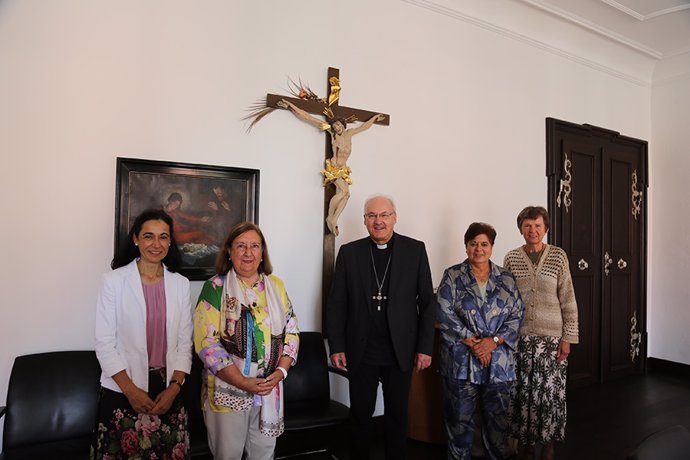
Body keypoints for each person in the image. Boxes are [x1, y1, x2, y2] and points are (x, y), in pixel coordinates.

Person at [326, 195, 436, 459]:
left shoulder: (415, 250)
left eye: (384, 215)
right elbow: (337, 303)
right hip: (361, 349)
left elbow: (428, 304)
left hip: (401, 350)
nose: (379, 221)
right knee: (361, 415)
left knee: (398, 415)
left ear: (394, 218)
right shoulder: (350, 253)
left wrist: (425, 348)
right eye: (372, 216)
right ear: (365, 221)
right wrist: (336, 346)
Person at [194, 221, 300, 460]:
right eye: (241, 246)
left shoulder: (277, 286)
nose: (248, 252)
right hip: (227, 390)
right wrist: (242, 381)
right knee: (227, 455)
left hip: (269, 389)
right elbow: (206, 344)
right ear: (229, 252)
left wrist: (281, 372)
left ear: (262, 253)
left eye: (255, 246)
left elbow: (291, 331)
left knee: (263, 454)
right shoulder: (215, 287)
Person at [93, 209, 193, 459]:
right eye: (149, 236)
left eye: (163, 237)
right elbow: (104, 344)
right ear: (136, 239)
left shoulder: (180, 284)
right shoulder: (113, 281)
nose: (156, 244)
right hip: (123, 387)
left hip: (167, 392)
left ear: (170, 242)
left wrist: (174, 389)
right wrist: (131, 391)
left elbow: (184, 344)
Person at [436, 222, 524, 460]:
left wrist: (493, 342)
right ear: (466, 247)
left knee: (498, 426)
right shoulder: (453, 275)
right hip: (461, 362)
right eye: (473, 244)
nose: (478, 249)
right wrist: (472, 342)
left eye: (484, 244)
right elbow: (443, 313)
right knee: (459, 424)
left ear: (492, 247)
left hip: (498, 364)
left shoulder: (506, 278)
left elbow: (517, 314)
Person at [504, 206, 579, 460]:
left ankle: (548, 444)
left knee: (549, 393)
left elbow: (568, 298)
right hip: (521, 337)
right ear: (520, 229)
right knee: (523, 392)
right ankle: (526, 444)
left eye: (537, 225)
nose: (532, 230)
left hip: (552, 338)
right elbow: (507, 299)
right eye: (527, 225)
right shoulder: (512, 258)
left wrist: (568, 337)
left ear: (545, 228)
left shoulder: (558, 256)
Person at [277, 98, 386, 236]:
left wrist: (375, 118)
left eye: (338, 126)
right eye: (334, 127)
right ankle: (332, 219)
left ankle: (332, 218)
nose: (336, 128)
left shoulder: (349, 133)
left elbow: (364, 127)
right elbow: (308, 117)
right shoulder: (332, 134)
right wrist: (290, 106)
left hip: (343, 169)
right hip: (334, 167)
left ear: (342, 124)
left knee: (345, 194)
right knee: (343, 192)